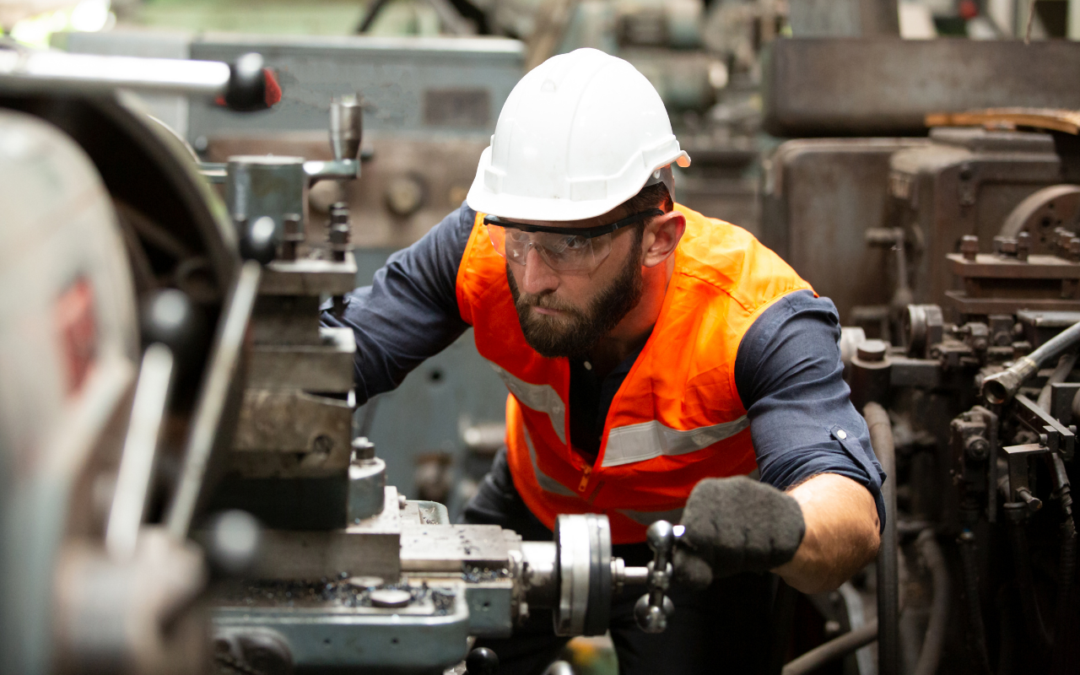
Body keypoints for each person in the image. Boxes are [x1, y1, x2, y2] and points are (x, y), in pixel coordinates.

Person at [323, 48, 884, 674]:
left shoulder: (757, 318)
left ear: (657, 238)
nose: (533, 277)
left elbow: (849, 513)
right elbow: (338, 352)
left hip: (696, 551)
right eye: (519, 238)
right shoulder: (482, 247)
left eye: (571, 243)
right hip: (530, 511)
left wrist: (781, 526)